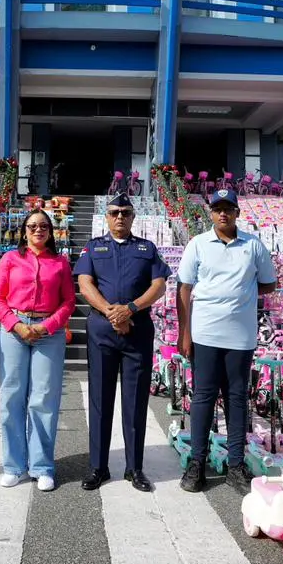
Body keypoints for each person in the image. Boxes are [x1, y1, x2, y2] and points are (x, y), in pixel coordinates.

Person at [175, 187, 277, 493]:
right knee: (203, 396)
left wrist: (240, 295)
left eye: (228, 208)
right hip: (205, 334)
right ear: (210, 212)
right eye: (218, 208)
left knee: (236, 398)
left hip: (240, 337)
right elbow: (184, 288)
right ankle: (197, 464)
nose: (223, 213)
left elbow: (268, 284)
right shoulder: (197, 244)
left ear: (237, 213)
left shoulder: (253, 245)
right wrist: (185, 332)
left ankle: (235, 464)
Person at [74, 194, 169, 492]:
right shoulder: (93, 247)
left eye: (125, 213)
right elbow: (84, 283)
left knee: (136, 401)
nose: (120, 217)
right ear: (106, 216)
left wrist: (130, 309)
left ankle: (134, 468)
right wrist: (111, 312)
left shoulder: (147, 248)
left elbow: (159, 285)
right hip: (103, 330)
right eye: (114, 212)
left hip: (137, 330)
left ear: (133, 217)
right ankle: (98, 467)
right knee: (100, 400)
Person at [0, 208, 76, 491]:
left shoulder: (60, 263)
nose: (38, 230)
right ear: (24, 231)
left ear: (51, 232)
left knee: (43, 399)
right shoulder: (11, 259)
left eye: (44, 226)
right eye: (32, 226)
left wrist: (47, 326)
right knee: (12, 396)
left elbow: (68, 303)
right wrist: (16, 325)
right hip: (14, 331)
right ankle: (14, 465)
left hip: (48, 333)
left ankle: (42, 466)